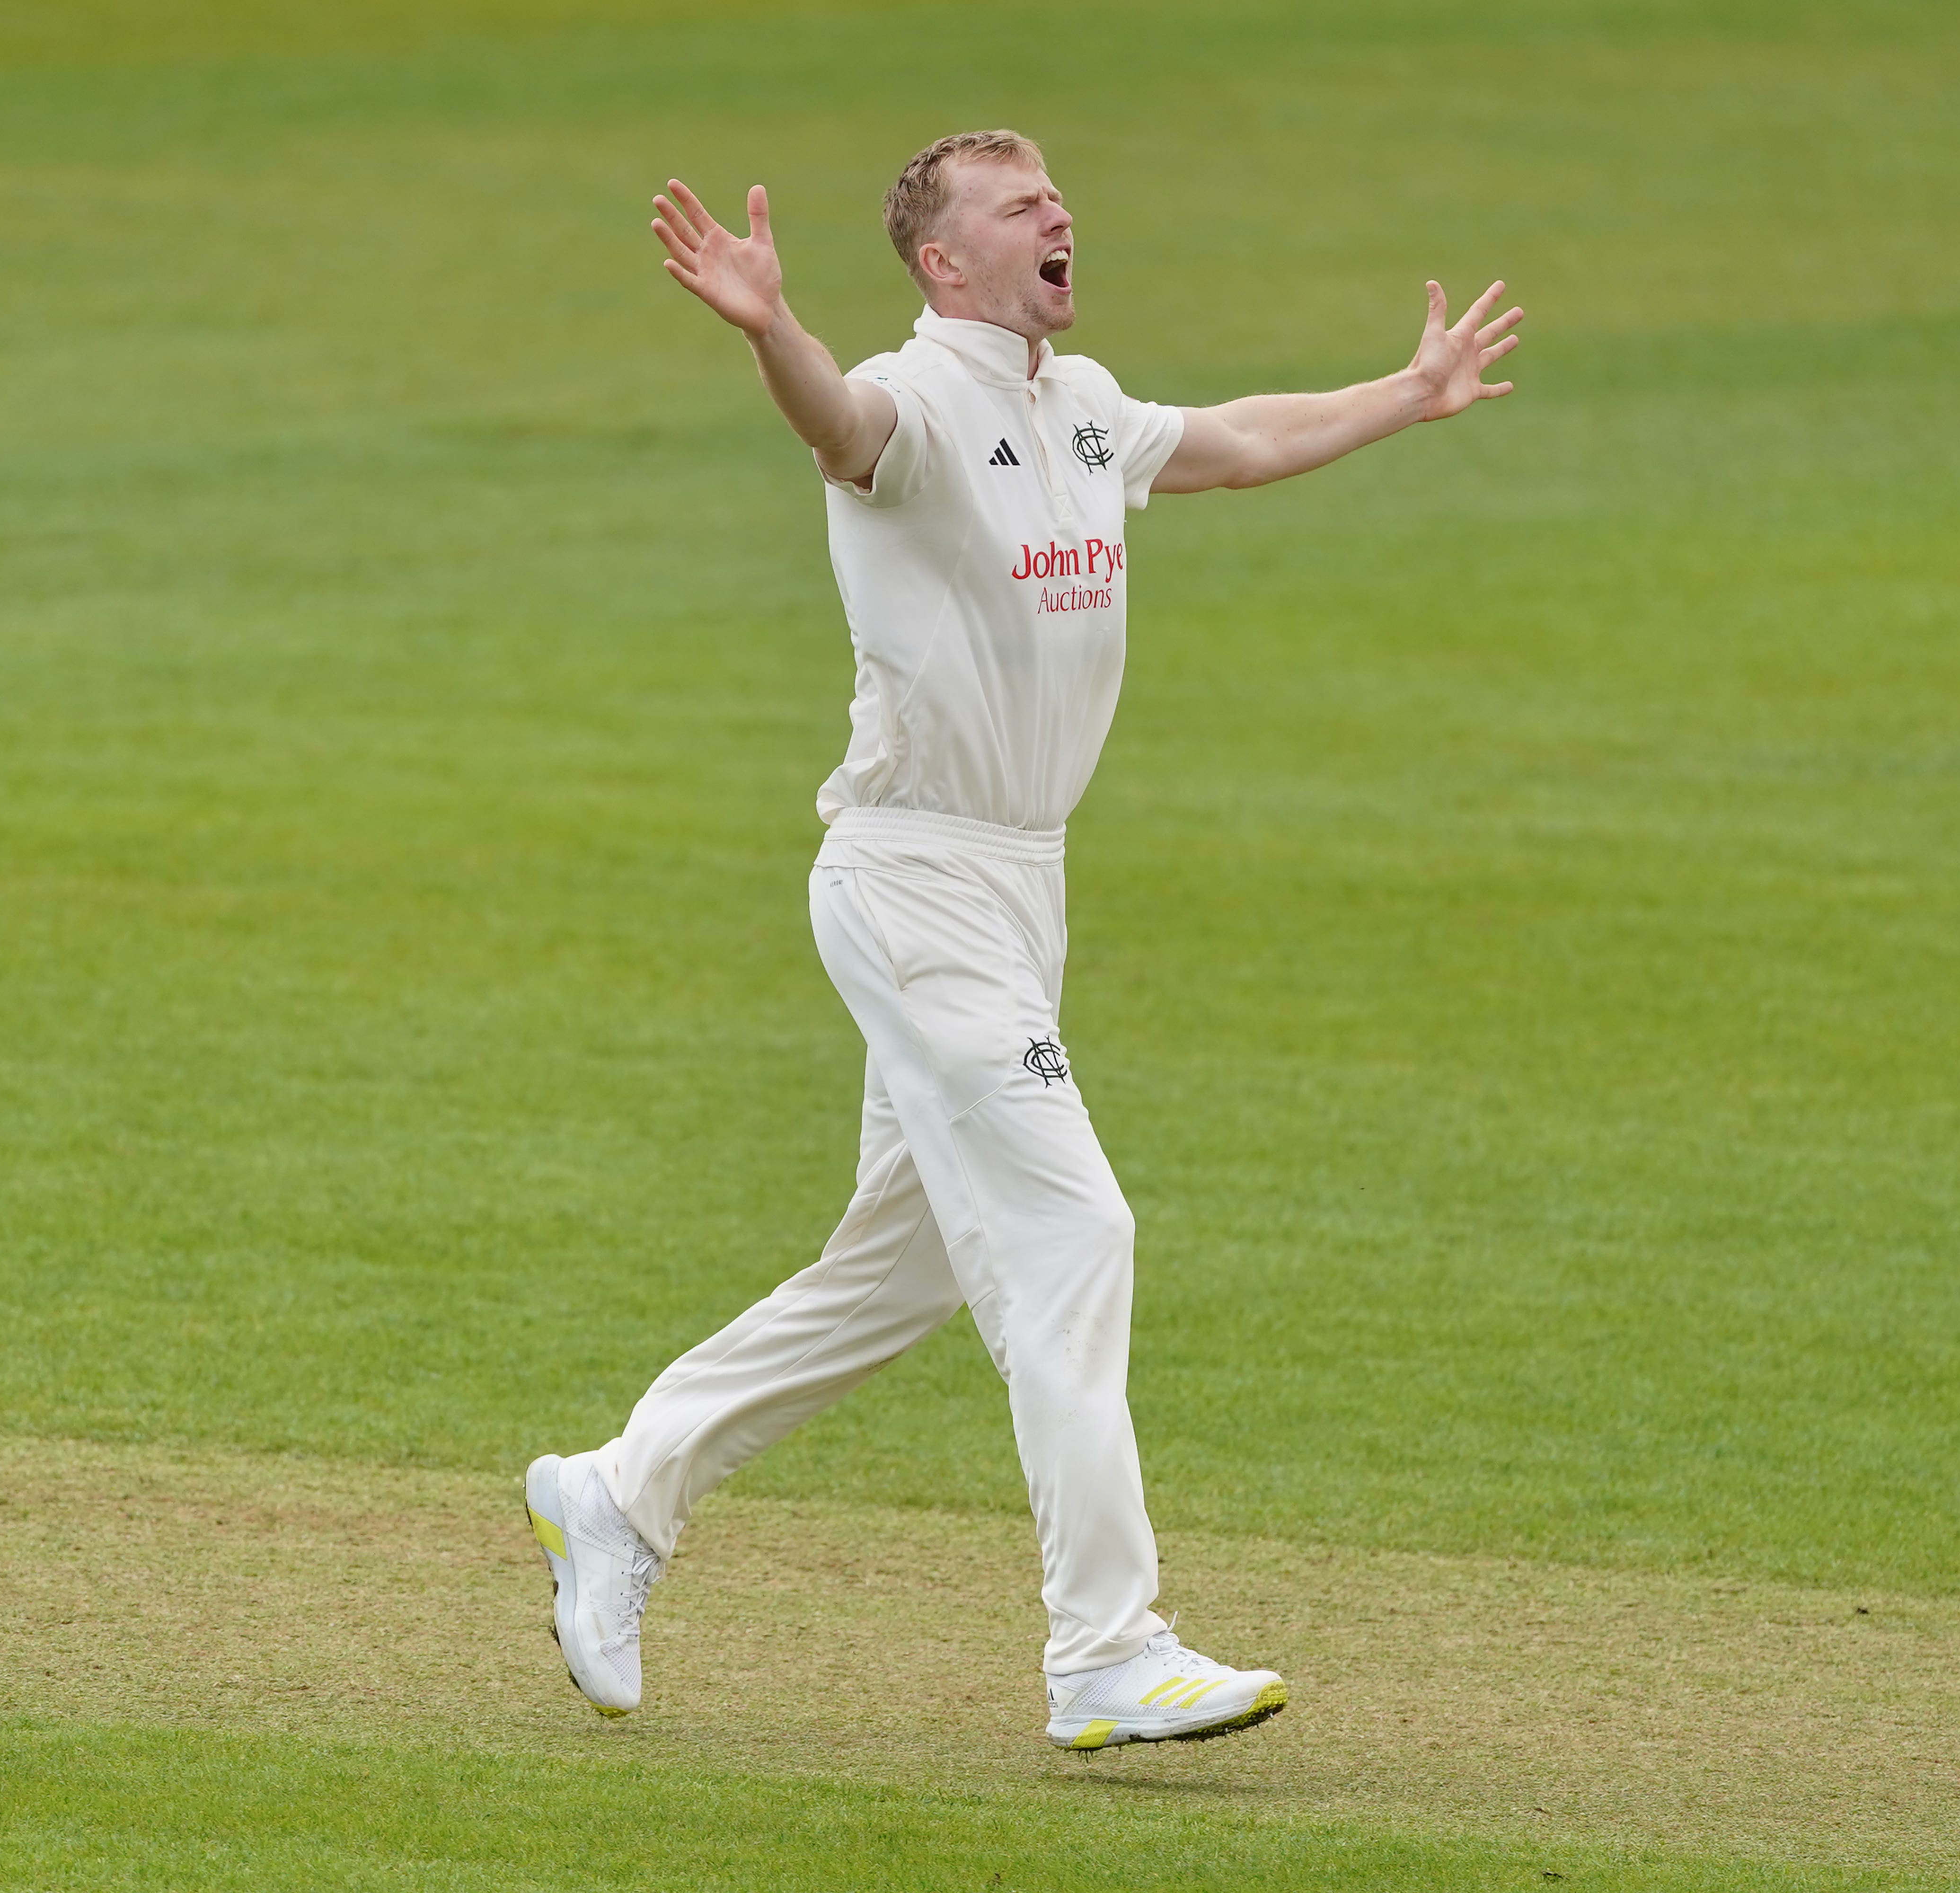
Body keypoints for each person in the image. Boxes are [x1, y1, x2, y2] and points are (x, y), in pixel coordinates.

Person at [522, 129, 1521, 1751]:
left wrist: (1403, 395)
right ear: (943, 261)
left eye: (1056, 193)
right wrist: (771, 329)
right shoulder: (908, 402)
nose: (1059, 212)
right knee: (1073, 1232)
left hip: (1019, 884)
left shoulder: (1079, 403)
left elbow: (1237, 440)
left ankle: (620, 1490)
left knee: (902, 1268)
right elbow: (838, 429)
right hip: (915, 880)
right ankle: (1105, 1651)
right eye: (1017, 204)